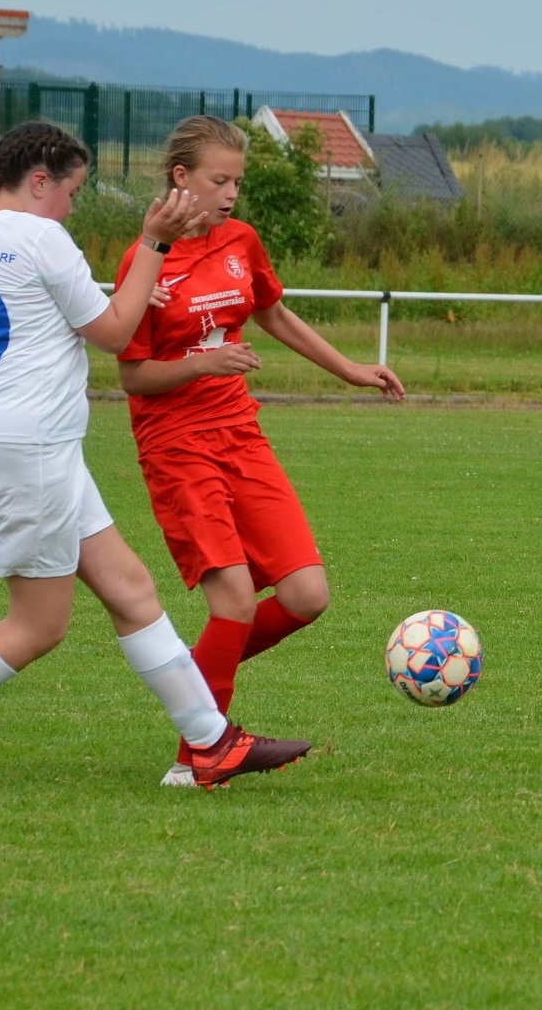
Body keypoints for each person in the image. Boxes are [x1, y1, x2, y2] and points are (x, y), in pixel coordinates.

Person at [0, 121, 310, 791]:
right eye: (70, 192)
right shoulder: (41, 238)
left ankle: (210, 745)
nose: (70, 207)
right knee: (37, 626)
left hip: (16, 444)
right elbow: (116, 334)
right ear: (39, 181)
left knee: (132, 593)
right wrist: (155, 243)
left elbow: (58, 308)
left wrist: (134, 285)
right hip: (31, 448)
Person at [114, 115, 406, 787]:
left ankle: (195, 676)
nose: (231, 194)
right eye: (219, 180)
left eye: (237, 183)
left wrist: (351, 369)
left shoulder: (242, 240)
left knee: (307, 594)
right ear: (181, 177)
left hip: (240, 434)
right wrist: (202, 363)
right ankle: (198, 758)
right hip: (177, 446)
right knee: (237, 603)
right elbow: (132, 377)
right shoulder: (145, 259)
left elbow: (273, 312)